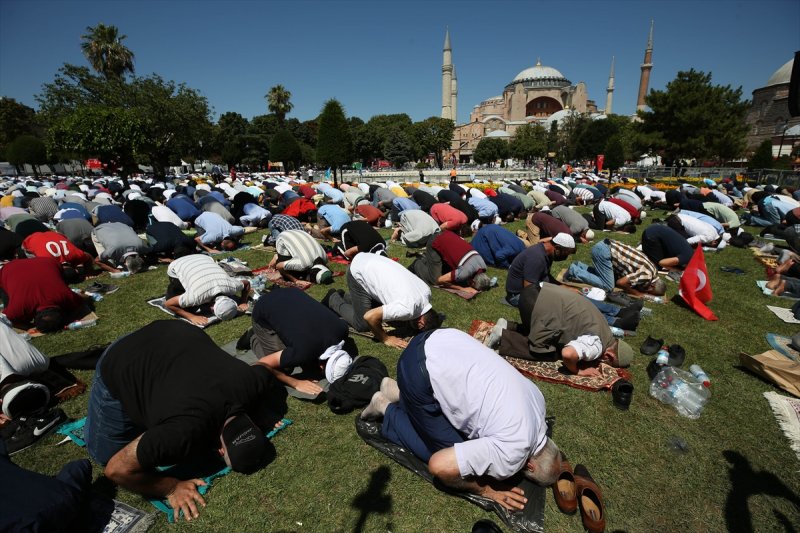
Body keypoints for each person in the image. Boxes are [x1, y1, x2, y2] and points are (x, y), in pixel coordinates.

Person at [83, 320, 280, 522]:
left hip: (172, 331)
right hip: (123, 357)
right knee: (104, 454)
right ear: (220, 451)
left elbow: (264, 366)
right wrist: (171, 487)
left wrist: (265, 408)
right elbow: (116, 470)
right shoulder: (183, 433)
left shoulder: (251, 386)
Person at [361, 328, 561, 511]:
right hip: (417, 370)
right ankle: (384, 406)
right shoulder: (513, 453)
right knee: (445, 452)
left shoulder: (539, 402)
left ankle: (397, 391)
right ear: (530, 466)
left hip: (437, 338)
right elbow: (439, 465)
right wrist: (486, 490)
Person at [487, 283, 634, 376]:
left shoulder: (606, 330)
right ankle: (504, 337)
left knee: (548, 332)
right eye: (608, 364)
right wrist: (578, 371)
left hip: (533, 291)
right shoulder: (597, 345)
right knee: (551, 352)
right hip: (534, 304)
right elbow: (568, 354)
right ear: (609, 356)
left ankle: (507, 325)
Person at [325, 252, 441, 348]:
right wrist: (386, 338)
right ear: (421, 323)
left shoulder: (426, 292)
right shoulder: (408, 308)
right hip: (358, 272)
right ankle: (332, 298)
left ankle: (347, 297)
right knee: (363, 324)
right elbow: (369, 317)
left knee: (380, 312)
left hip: (370, 260)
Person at [250, 288, 350, 395]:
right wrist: (296, 383)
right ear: (321, 367)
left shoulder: (343, 330)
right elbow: (262, 364)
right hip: (263, 308)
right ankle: (253, 337)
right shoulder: (303, 352)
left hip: (290, 292)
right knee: (283, 369)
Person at [0, 257, 89, 332]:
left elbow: (83, 298)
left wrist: (28, 327)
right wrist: (28, 327)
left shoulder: (65, 296)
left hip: (44, 262)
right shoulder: (18, 307)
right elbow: (5, 320)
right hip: (11, 268)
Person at [164, 254, 250, 326]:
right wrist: (191, 317)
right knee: (180, 302)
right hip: (176, 265)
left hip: (203, 257)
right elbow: (169, 304)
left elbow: (246, 283)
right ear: (212, 308)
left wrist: (243, 302)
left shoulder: (232, 287)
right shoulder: (196, 297)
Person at [566, 239, 666, 297]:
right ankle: (574, 271)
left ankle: (580, 266)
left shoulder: (653, 270)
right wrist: (636, 293)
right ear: (652, 286)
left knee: (607, 278)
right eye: (650, 292)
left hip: (606, 246)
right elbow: (621, 283)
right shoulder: (647, 276)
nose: (647, 292)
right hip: (604, 251)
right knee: (608, 286)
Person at [409, 231, 492, 294]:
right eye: (473, 286)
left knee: (446, 271)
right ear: (473, 282)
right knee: (434, 280)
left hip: (447, 235)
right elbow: (440, 280)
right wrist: (462, 289)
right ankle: (417, 264)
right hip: (435, 241)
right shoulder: (464, 272)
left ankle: (426, 259)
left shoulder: (483, 266)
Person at [505, 233, 575, 306]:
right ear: (557, 248)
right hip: (518, 296)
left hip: (530, 289)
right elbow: (529, 289)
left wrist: (563, 287)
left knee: (565, 296)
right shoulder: (537, 257)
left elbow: (546, 276)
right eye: (566, 254)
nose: (566, 257)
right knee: (562, 303)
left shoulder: (547, 253)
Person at [268, 230, 332, 284]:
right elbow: (279, 266)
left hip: (298, 232)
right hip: (282, 238)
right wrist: (296, 280)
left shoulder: (325, 258)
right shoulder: (303, 265)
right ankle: (277, 257)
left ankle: (283, 257)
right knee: (290, 274)